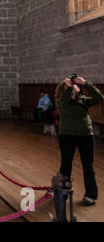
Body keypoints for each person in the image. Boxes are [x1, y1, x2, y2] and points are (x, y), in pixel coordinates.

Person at [55, 75, 104, 206]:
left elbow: (100, 98)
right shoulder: (61, 99)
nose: (73, 86)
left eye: (73, 85)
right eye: (69, 85)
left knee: (88, 166)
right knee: (66, 165)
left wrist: (86, 83)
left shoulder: (82, 99)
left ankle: (90, 195)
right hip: (67, 136)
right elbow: (63, 102)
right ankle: (63, 193)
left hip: (85, 135)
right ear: (64, 88)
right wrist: (69, 88)